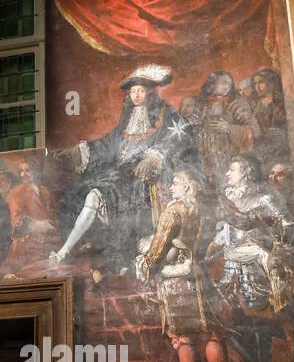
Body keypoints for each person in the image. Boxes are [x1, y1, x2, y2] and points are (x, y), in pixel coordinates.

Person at [53, 63, 194, 271]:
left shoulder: (166, 115)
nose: (136, 95)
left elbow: (176, 141)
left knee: (98, 195)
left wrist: (154, 158)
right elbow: (110, 144)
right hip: (116, 175)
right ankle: (82, 242)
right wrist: (79, 152)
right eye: (133, 91)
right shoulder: (127, 118)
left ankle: (75, 250)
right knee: (76, 193)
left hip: (142, 180)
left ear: (150, 92)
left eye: (141, 91)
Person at [137, 170, 234, 362]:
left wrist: (145, 263)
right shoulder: (204, 210)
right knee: (212, 335)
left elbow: (158, 250)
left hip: (176, 282)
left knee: (183, 339)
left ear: (187, 187)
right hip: (201, 277)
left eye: (175, 184)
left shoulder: (173, 212)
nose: (170, 188)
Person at [209, 155, 294, 362]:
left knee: (259, 320)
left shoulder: (264, 199)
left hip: (256, 267)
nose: (228, 173)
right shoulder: (228, 200)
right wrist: (210, 251)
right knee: (228, 322)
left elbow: (289, 225)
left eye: (232, 169)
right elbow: (224, 234)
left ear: (246, 173)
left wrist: (272, 248)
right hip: (230, 268)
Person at [194, 70, 259, 189]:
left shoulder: (238, 104)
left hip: (228, 157)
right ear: (212, 84)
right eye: (223, 82)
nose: (227, 86)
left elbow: (254, 131)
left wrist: (229, 128)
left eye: (229, 84)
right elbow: (193, 126)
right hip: (204, 157)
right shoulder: (201, 104)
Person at [3, 159, 59, 278]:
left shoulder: (45, 191)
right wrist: (40, 225)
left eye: (27, 170)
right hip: (25, 245)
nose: (23, 174)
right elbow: (17, 221)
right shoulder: (15, 193)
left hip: (47, 242)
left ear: (36, 171)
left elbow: (54, 216)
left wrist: (51, 229)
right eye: (21, 171)